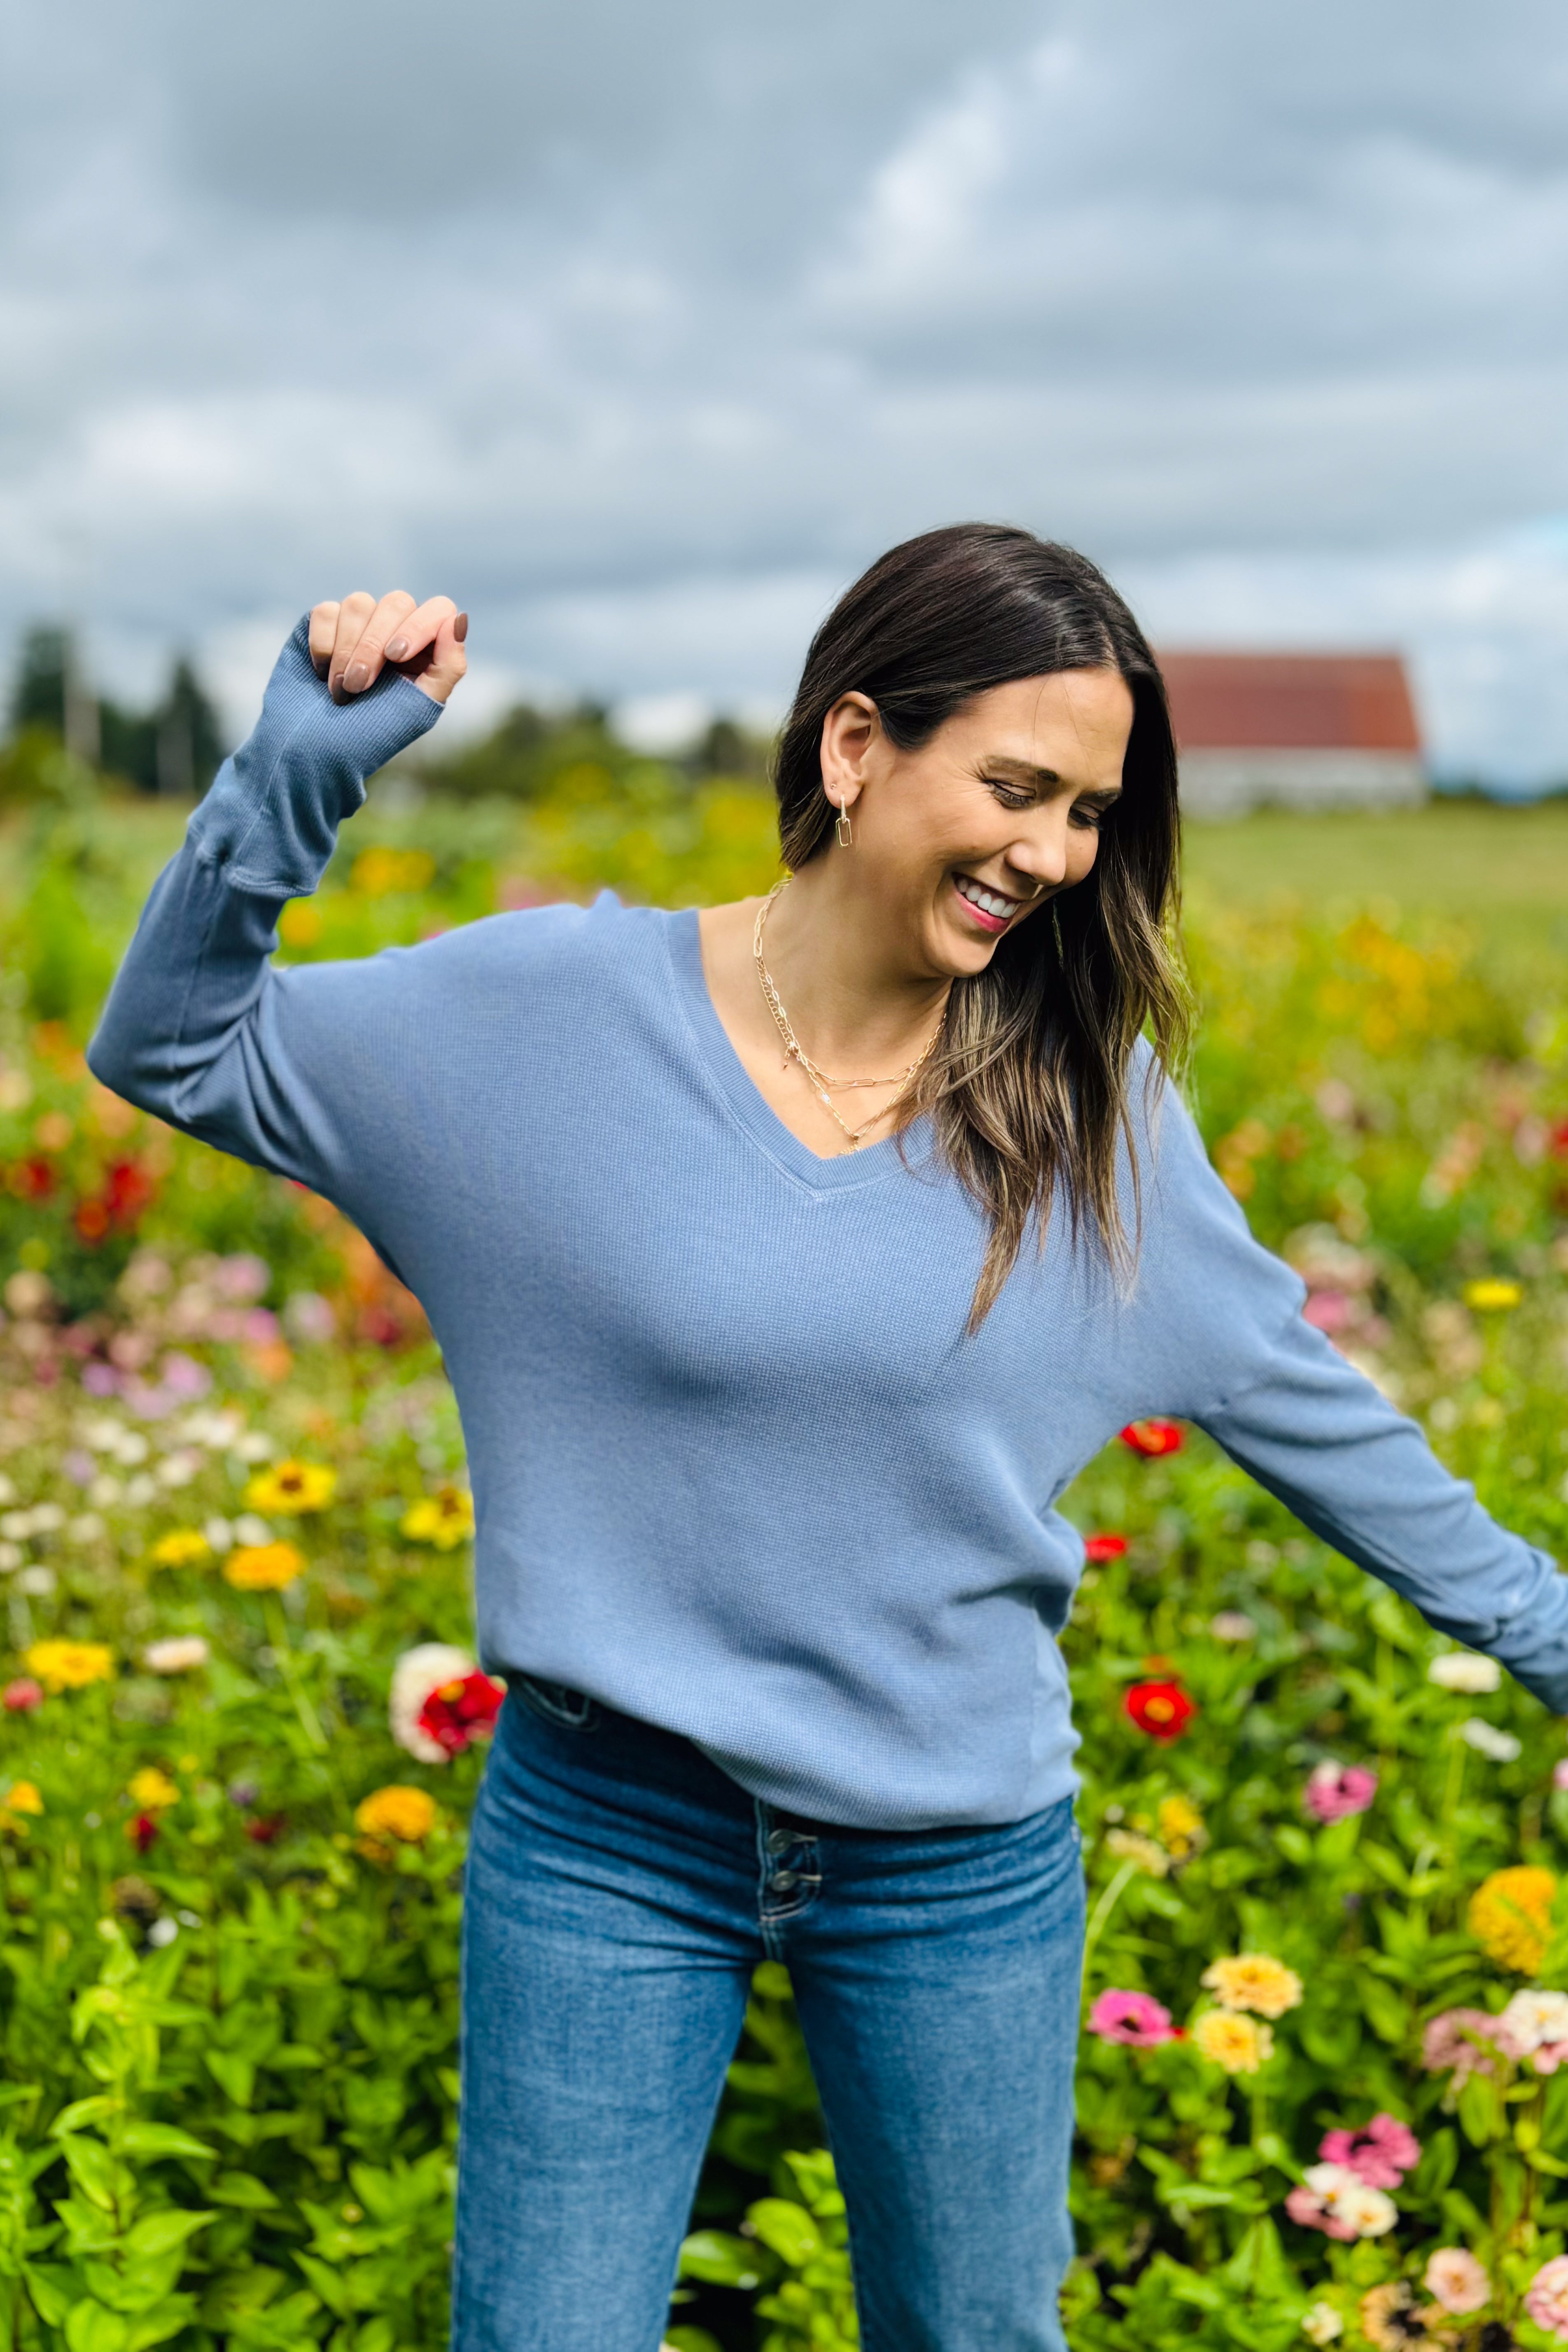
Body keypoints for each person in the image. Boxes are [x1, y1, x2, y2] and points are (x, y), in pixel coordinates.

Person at [88, 526, 1568, 2352]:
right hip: (605, 1831)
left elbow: (1316, 1421)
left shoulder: (1092, 1118)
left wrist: (1549, 1636)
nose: (1051, 853)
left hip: (957, 1855)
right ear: (855, 745)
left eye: (1090, 811)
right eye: (1014, 787)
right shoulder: (547, 1020)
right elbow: (171, 1050)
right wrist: (288, 782)